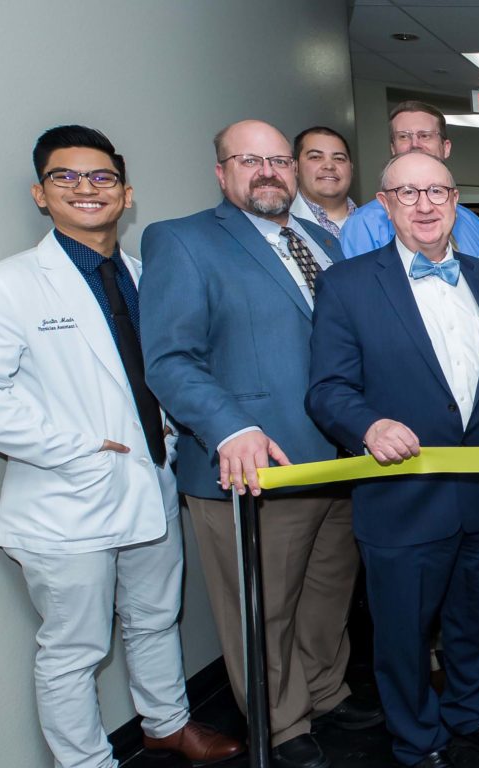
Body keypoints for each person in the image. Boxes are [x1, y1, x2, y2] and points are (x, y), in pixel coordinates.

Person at [0, 125, 243, 768]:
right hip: (65, 497)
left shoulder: (141, 275)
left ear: (126, 194)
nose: (85, 188)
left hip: (149, 480)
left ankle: (166, 724)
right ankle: (87, 762)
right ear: (40, 194)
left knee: (155, 617)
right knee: (75, 647)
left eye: (101, 177)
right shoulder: (6, 285)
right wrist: (74, 447)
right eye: (65, 177)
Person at [141, 120, 378, 768]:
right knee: (265, 607)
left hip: (338, 459)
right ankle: (281, 722)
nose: (269, 171)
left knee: (326, 593)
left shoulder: (320, 240)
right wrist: (230, 429)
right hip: (258, 466)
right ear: (222, 172)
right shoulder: (182, 241)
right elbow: (169, 358)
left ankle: (325, 692)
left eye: (279, 161)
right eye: (251, 160)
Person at [305, 150, 479, 768]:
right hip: (400, 497)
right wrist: (369, 424)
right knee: (403, 635)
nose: (425, 205)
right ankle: (417, 738)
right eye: (408, 194)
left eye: (437, 192)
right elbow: (327, 389)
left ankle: (472, 712)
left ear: (456, 200)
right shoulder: (348, 284)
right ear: (385, 205)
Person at [340, 101, 479, 259]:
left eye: (425, 135)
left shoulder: (474, 224)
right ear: (393, 148)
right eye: (403, 137)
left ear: (446, 147)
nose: (415, 145)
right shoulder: (363, 225)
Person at [289, 126, 356, 237]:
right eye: (315, 157)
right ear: (295, 167)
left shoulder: (381, 221)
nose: (329, 166)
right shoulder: (276, 223)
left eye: (339, 158)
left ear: (351, 169)